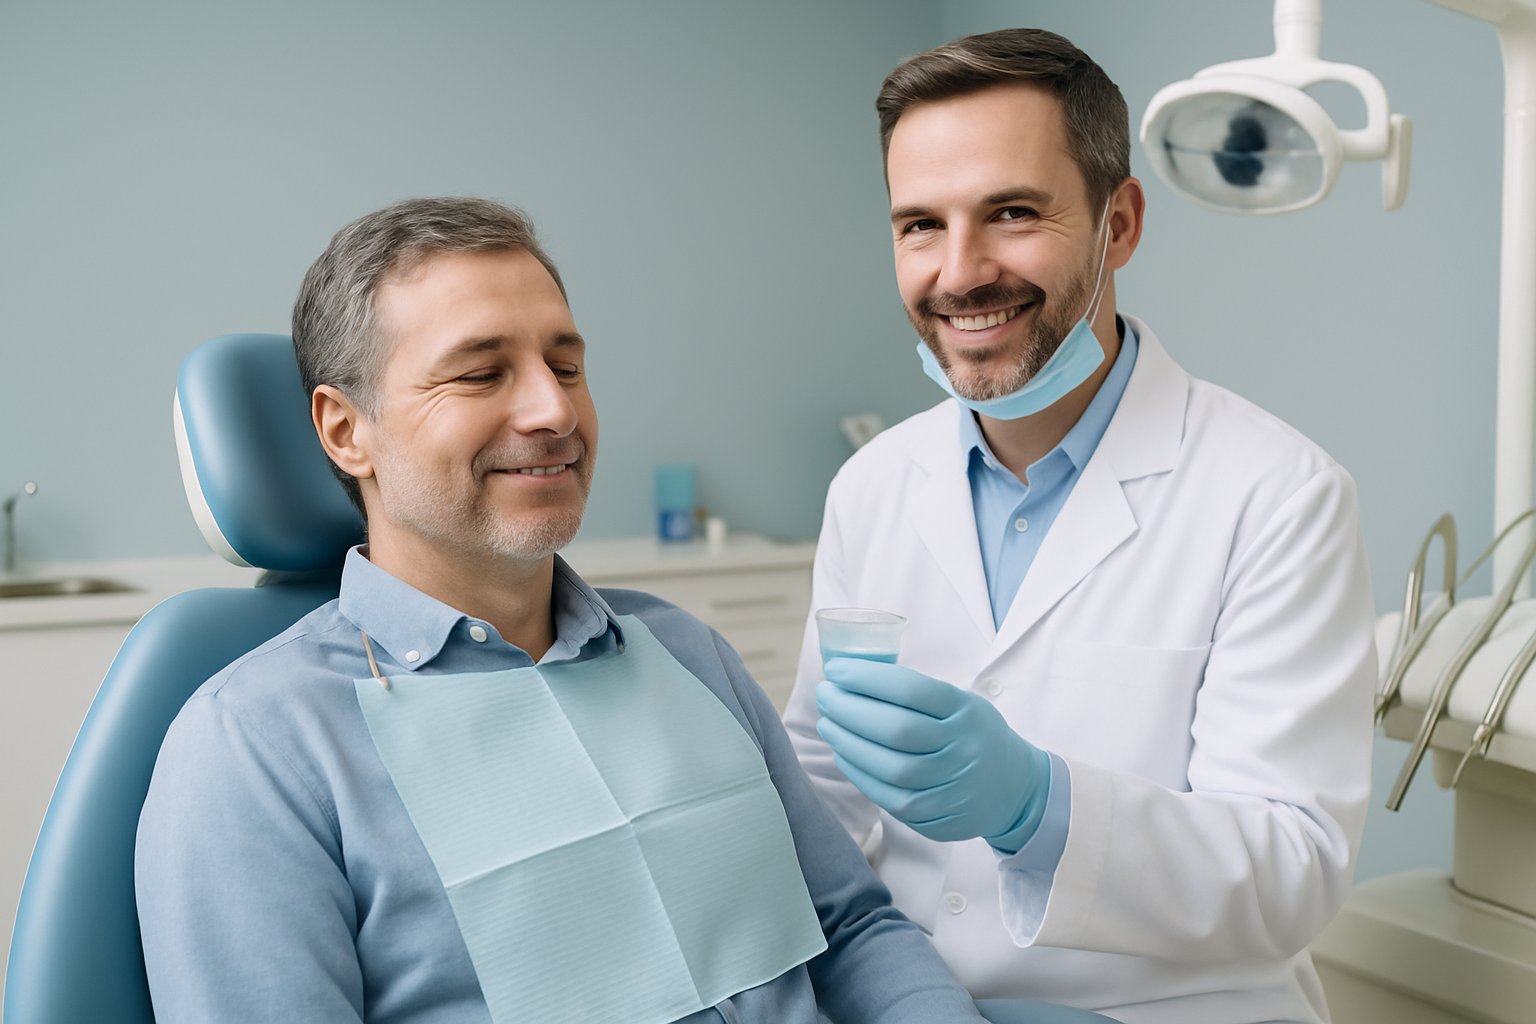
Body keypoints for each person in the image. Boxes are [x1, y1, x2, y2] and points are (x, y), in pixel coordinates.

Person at [134, 197, 991, 1024]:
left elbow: (852, 929)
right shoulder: (258, 747)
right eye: (480, 373)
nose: (554, 411)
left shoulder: (686, 654)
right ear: (344, 431)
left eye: (568, 366)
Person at [782, 28, 1376, 1024]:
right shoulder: (873, 487)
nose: (960, 271)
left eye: (1011, 213)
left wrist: (1037, 805)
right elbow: (821, 796)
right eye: (920, 225)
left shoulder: (1279, 493)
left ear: (1121, 223)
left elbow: (1293, 870)